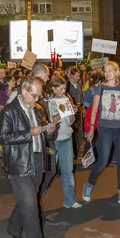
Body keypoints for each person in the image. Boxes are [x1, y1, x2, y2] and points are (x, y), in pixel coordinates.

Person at [0, 76, 57, 238]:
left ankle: (14, 228)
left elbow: (48, 135)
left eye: (39, 95)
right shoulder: (9, 111)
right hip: (19, 164)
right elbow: (4, 138)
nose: (37, 99)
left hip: (38, 160)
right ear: (23, 91)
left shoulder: (39, 109)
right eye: (34, 95)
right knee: (31, 203)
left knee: (28, 200)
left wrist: (51, 131)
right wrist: (28, 133)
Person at [83, 61, 120, 206]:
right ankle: (89, 184)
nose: (107, 73)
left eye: (110, 70)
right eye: (105, 71)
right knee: (103, 161)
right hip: (105, 128)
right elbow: (93, 110)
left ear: (116, 72)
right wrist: (92, 128)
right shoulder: (100, 88)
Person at [46, 76, 82, 208]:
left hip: (66, 137)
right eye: (60, 89)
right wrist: (62, 112)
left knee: (68, 170)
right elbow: (50, 120)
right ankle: (37, 195)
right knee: (50, 171)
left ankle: (70, 200)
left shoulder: (67, 98)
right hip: (55, 139)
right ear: (53, 88)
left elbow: (71, 120)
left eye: (64, 88)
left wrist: (73, 112)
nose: (63, 91)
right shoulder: (48, 101)